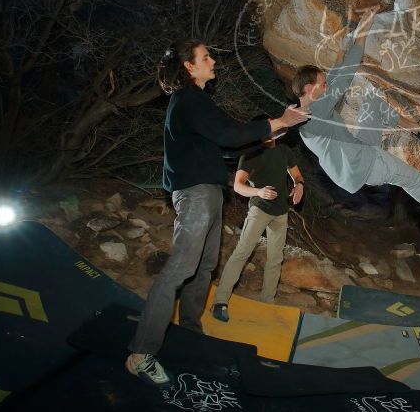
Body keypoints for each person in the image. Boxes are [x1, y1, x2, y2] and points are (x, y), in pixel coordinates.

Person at [125, 40, 309, 388]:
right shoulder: (189, 99)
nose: (213, 61)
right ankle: (140, 353)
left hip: (207, 192)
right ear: (189, 67)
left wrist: (271, 133)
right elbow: (228, 133)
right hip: (195, 195)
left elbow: (224, 147)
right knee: (181, 267)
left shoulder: (197, 103)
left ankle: (191, 334)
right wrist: (276, 120)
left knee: (204, 268)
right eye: (206, 57)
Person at [292, 8, 420, 221]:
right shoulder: (314, 113)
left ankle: (416, 127)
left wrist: (343, 48)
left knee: (370, 102)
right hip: (365, 166)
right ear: (309, 89)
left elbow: (336, 78)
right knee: (412, 179)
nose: (326, 88)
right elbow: (344, 77)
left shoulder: (307, 113)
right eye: (322, 85)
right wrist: (364, 31)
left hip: (359, 149)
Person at [211, 130, 304, 321]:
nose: (274, 133)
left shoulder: (285, 151)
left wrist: (299, 185)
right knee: (242, 252)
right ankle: (220, 301)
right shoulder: (251, 154)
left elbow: (297, 175)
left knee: (275, 258)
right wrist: (258, 192)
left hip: (281, 212)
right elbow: (238, 185)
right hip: (260, 210)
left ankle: (267, 302)